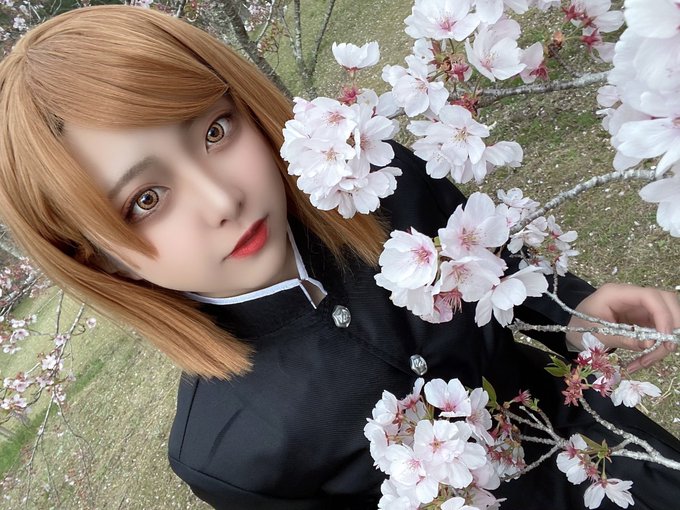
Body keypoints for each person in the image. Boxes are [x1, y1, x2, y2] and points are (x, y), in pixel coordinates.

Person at [0, 5, 678, 510]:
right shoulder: (225, 450)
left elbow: (498, 262)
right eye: (146, 200)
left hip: (621, 460)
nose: (222, 199)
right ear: (97, 259)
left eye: (214, 130)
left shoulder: (383, 186)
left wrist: (575, 310)